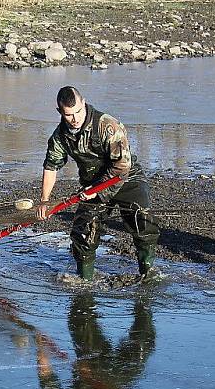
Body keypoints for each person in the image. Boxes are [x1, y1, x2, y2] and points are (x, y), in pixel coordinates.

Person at [36, 86, 160, 280]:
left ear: (83, 103)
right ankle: (84, 281)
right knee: (83, 233)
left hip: (127, 178)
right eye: (69, 115)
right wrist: (44, 200)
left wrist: (97, 189)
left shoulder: (108, 126)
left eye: (78, 111)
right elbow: (51, 166)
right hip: (91, 186)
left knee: (142, 223)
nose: (75, 118)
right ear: (60, 112)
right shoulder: (59, 136)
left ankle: (148, 274)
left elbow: (122, 166)